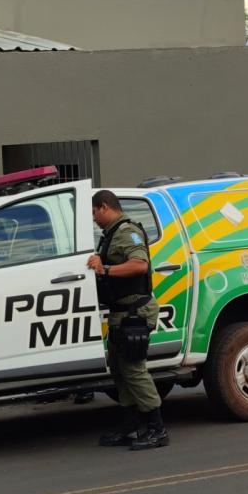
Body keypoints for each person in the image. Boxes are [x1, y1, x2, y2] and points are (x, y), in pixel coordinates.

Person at [87, 190, 169, 450]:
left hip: (135, 312)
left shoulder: (126, 231)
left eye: (94, 212)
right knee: (121, 372)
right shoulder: (110, 234)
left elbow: (139, 265)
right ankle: (130, 427)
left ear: (103, 207)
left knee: (135, 371)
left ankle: (157, 429)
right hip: (120, 313)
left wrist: (106, 269)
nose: (93, 219)